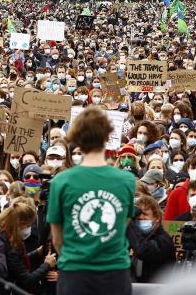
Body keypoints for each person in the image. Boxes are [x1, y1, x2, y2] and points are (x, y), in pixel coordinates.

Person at [47, 106, 136, 295]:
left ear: (77, 138)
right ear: (107, 137)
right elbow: (123, 223)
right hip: (115, 274)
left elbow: (57, 238)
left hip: (75, 273)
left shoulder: (60, 181)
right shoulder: (127, 180)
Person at [0, 196, 55, 292]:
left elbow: (18, 262)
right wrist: (47, 264)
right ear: (19, 224)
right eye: (28, 226)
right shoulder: (9, 245)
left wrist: (36, 253)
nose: (29, 229)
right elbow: (27, 280)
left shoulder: (4, 235)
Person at [127, 194, 175, 282]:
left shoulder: (163, 240)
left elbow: (144, 251)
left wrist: (129, 224)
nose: (140, 217)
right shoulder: (142, 237)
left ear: (157, 218)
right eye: (137, 216)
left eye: (145, 214)